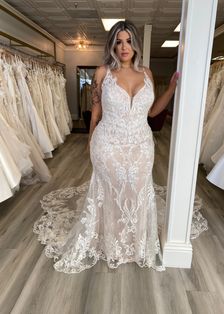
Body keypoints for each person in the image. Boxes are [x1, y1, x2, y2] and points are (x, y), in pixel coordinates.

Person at [33, 20, 179, 273]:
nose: (124, 47)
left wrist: (172, 88)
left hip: (141, 144)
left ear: (136, 44)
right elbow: (96, 110)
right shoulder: (102, 73)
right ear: (112, 45)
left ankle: (135, 242)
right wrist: (90, 140)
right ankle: (111, 242)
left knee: (137, 190)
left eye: (129, 41)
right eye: (118, 42)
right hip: (108, 142)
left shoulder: (147, 73)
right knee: (110, 191)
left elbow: (153, 111)